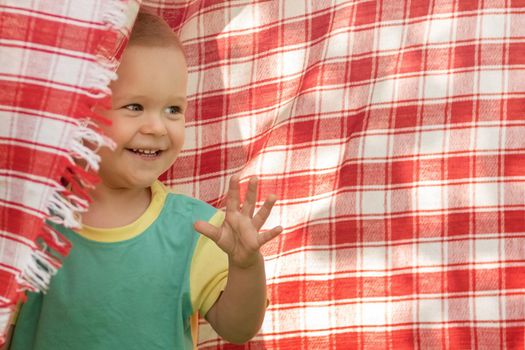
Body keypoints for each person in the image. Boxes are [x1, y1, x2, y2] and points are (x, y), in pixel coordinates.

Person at [7, 11, 282, 350]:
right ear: (75, 113)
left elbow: (239, 329)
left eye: (173, 110)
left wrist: (245, 266)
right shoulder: (27, 223)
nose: (157, 127)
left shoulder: (198, 230)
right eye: (135, 106)